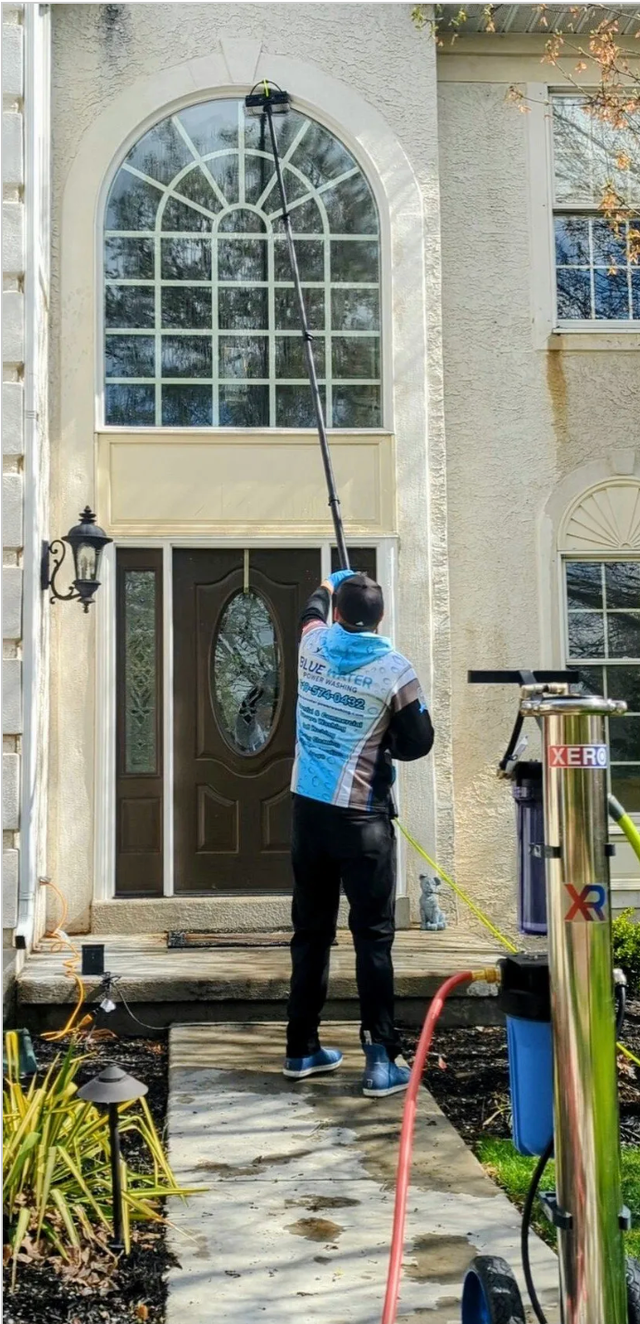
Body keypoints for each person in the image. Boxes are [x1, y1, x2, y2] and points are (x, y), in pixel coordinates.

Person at [283, 569, 434, 1097]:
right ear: (382, 617)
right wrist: (385, 737)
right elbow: (419, 742)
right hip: (362, 820)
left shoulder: (313, 645)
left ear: (338, 615)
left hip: (309, 813)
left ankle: (301, 1048)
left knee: (311, 932)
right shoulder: (394, 669)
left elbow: (308, 611)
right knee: (372, 937)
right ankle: (379, 1060)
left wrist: (328, 582)